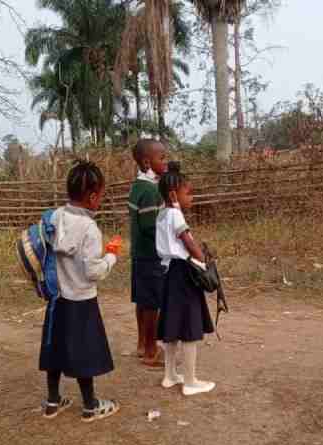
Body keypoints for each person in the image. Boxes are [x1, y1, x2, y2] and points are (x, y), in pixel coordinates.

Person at [39, 160, 122, 422]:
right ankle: (90, 405)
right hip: (82, 300)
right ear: (93, 196)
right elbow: (92, 272)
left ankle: (53, 401)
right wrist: (111, 257)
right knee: (84, 351)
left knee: (56, 349)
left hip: (57, 299)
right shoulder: (89, 229)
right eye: (101, 196)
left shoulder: (54, 217)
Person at [155, 161, 216, 396]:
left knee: (172, 324)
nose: (192, 197)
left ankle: (170, 375)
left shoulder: (162, 214)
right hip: (183, 273)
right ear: (174, 194)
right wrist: (203, 260)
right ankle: (190, 382)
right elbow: (187, 241)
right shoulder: (175, 213)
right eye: (188, 193)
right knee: (190, 326)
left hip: (169, 274)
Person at [128, 139, 168, 367]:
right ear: (146, 162)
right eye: (161, 158)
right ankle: (152, 351)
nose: (165, 161)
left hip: (139, 254)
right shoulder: (151, 192)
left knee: (143, 301)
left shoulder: (138, 186)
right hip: (152, 255)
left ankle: (142, 343)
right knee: (152, 303)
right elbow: (150, 226)